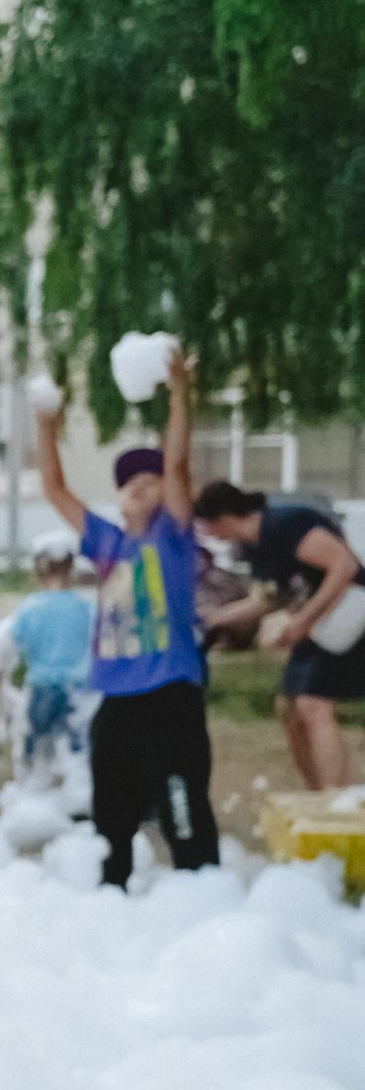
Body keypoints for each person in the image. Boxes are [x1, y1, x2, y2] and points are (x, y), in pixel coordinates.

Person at [35, 352, 220, 885]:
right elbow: (54, 489)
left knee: (180, 799)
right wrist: (46, 426)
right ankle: (112, 888)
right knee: (111, 805)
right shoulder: (109, 545)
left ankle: (200, 888)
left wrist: (179, 393)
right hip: (118, 697)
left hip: (170, 694)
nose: (140, 488)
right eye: (128, 484)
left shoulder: (173, 539)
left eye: (150, 481)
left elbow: (178, 464)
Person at [191, 480, 365, 791]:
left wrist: (301, 619)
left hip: (349, 616)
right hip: (319, 624)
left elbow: (344, 565)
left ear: (222, 518)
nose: (206, 533)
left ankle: (333, 798)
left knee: (313, 706)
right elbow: (267, 599)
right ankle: (315, 792)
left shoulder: (286, 524)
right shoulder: (257, 546)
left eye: (205, 524)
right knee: (289, 709)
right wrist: (213, 619)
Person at [0, 544, 96, 776]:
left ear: (39, 571)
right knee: (78, 754)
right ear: (71, 569)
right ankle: (77, 800)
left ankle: (35, 796)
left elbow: (10, 644)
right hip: (81, 691)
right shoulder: (86, 608)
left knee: (36, 753)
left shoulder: (30, 608)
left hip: (42, 688)